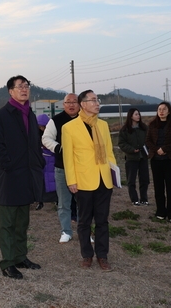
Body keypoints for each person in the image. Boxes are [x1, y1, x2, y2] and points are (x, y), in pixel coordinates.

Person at [0, 75, 45, 280]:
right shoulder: (2, 115)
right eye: (20, 86)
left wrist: (38, 162)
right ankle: (8, 262)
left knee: (23, 221)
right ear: (10, 91)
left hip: (28, 174)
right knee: (8, 223)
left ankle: (21, 256)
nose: (24, 89)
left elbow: (34, 142)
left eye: (27, 86)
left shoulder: (29, 113)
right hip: (11, 175)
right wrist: (8, 166)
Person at [62, 90, 116, 271]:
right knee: (84, 221)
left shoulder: (103, 125)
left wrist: (113, 173)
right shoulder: (69, 128)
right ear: (82, 104)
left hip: (104, 180)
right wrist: (71, 180)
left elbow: (109, 153)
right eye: (93, 100)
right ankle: (87, 255)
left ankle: (103, 255)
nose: (97, 103)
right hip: (83, 181)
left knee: (102, 221)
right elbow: (68, 158)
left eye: (97, 100)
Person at [42, 93, 80, 243]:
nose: (71, 105)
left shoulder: (85, 119)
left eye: (74, 102)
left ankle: (85, 231)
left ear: (80, 104)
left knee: (84, 202)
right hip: (62, 167)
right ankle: (66, 231)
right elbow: (45, 138)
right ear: (63, 105)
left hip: (82, 169)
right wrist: (58, 148)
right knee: (64, 202)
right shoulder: (56, 120)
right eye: (68, 102)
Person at [146, 101, 171, 224]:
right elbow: (148, 141)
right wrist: (157, 150)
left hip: (170, 160)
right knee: (158, 187)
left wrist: (164, 149)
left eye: (164, 109)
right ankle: (160, 211)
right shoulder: (152, 125)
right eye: (159, 109)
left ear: (169, 111)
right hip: (156, 160)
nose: (161, 111)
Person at [118, 108, 150, 206]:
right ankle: (134, 199)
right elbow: (122, 143)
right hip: (131, 158)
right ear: (131, 116)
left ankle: (144, 199)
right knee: (131, 180)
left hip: (143, 157)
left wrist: (147, 149)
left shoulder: (144, 128)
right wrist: (132, 149)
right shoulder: (125, 130)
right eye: (136, 114)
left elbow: (149, 140)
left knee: (145, 179)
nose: (138, 116)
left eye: (139, 114)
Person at [35, 114, 58, 210]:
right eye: (40, 126)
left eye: (43, 126)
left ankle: (56, 200)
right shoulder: (36, 134)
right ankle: (40, 201)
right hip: (42, 160)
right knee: (42, 182)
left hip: (51, 159)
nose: (41, 128)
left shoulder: (53, 132)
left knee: (54, 181)